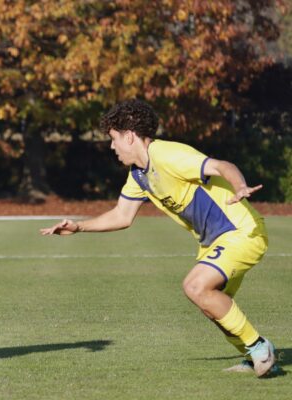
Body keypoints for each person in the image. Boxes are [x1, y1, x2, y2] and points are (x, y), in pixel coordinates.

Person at [40, 99, 277, 377]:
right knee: (210, 304)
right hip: (215, 241)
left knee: (195, 287)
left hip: (240, 231)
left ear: (129, 136)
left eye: (114, 139)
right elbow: (122, 215)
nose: (112, 146)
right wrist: (79, 227)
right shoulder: (139, 174)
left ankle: (261, 348)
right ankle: (255, 356)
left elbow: (222, 165)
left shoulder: (167, 154)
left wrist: (239, 186)